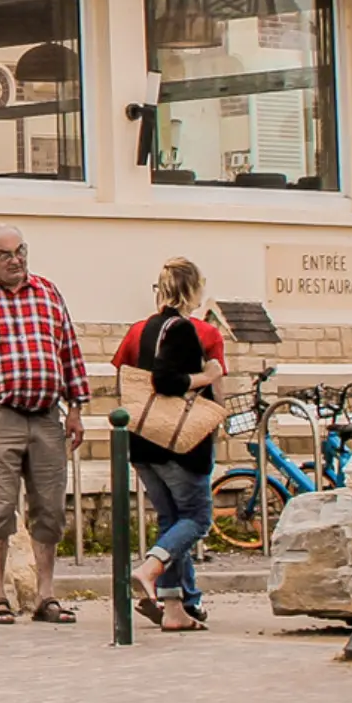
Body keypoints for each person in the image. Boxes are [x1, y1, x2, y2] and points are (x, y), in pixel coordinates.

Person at [0, 224, 89, 625]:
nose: (16, 260)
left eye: (20, 251)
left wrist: (76, 407)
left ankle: (45, 596)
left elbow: (69, 350)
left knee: (49, 507)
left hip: (47, 414)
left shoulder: (47, 292)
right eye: (6, 254)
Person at [118, 259, 222, 631]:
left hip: (145, 443)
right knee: (197, 518)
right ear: (192, 289)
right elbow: (166, 381)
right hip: (176, 445)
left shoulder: (147, 328)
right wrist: (206, 375)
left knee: (170, 520)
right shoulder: (181, 329)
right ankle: (151, 567)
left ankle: (175, 608)